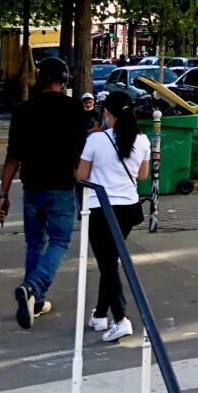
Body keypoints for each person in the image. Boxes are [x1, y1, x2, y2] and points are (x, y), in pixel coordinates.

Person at [0, 57, 88, 329]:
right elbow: (80, 153)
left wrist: (2, 194)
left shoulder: (24, 111)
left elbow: (13, 157)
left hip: (32, 187)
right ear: (63, 78)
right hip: (60, 186)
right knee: (60, 241)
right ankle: (33, 286)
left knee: (35, 244)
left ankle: (34, 302)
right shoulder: (73, 109)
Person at [76, 91, 151, 342]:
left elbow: (81, 176)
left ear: (108, 113)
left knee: (107, 263)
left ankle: (120, 318)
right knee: (109, 260)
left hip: (101, 208)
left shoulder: (96, 140)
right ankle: (99, 314)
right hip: (129, 207)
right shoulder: (142, 141)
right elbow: (142, 176)